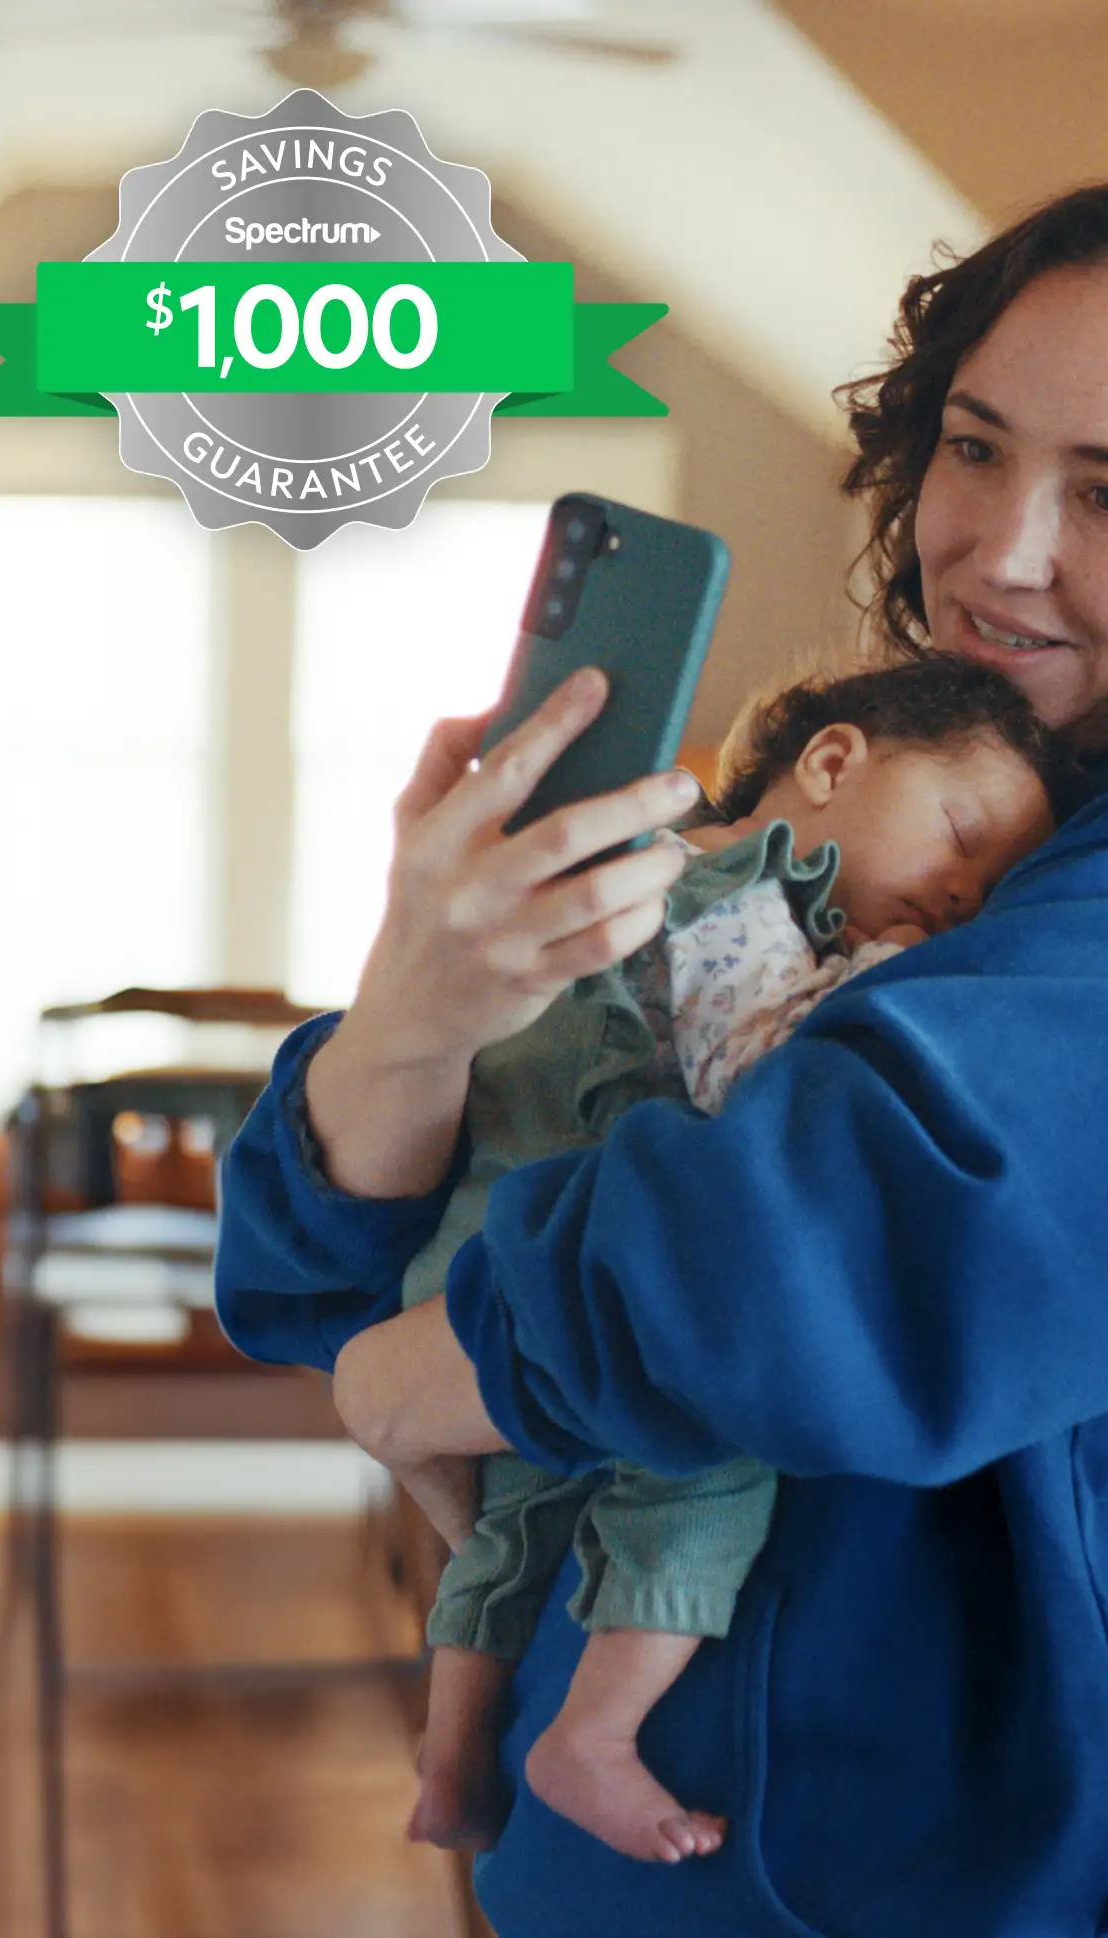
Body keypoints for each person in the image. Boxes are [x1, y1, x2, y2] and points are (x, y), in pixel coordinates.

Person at [214, 176, 1108, 1937]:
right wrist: (416, 1011)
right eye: (974, 449)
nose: (997, 549)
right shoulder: (928, 832)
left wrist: (426, 1368)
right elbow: (312, 1282)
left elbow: (816, 1247)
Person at [316, 657, 1056, 1867]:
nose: (959, 893)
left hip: (472, 1263)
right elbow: (750, 1069)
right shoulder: (737, 897)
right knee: (711, 1456)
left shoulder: (624, 882)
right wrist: (887, 979)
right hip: (552, 1277)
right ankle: (594, 1736)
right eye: (961, 835)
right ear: (831, 761)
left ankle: (449, 1760)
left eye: (987, 892)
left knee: (513, 1529)